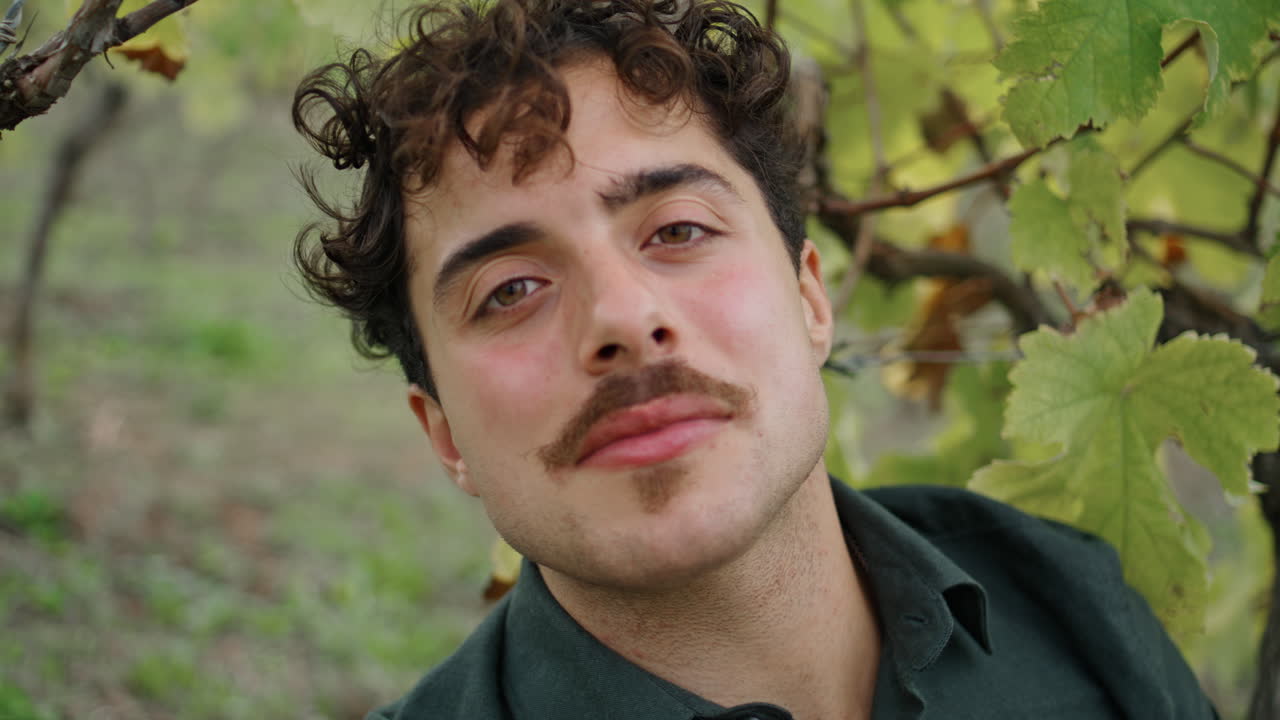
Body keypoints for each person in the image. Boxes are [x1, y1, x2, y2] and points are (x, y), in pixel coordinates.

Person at [290, 0, 1219, 717]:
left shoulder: (1076, 608)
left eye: (679, 229)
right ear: (444, 433)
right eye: (511, 290)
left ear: (811, 298)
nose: (622, 318)